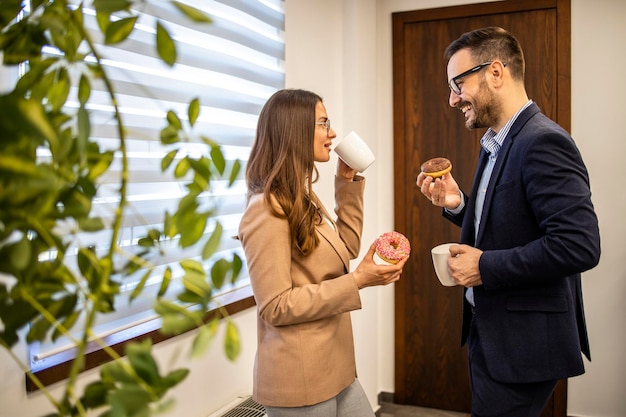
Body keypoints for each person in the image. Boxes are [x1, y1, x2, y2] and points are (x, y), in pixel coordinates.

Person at [416, 27, 600, 417]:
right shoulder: (496, 141)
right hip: (494, 332)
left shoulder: (543, 142)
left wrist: (483, 266)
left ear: (495, 72)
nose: (452, 99)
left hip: (524, 345)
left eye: (458, 83)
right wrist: (457, 203)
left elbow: (578, 245)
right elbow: (507, 225)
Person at [238, 88, 408, 417]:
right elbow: (275, 306)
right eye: (323, 123)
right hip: (299, 375)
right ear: (294, 129)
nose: (332, 133)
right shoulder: (265, 209)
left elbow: (346, 249)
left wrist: (347, 182)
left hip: (336, 365)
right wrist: (356, 281)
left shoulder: (301, 197)